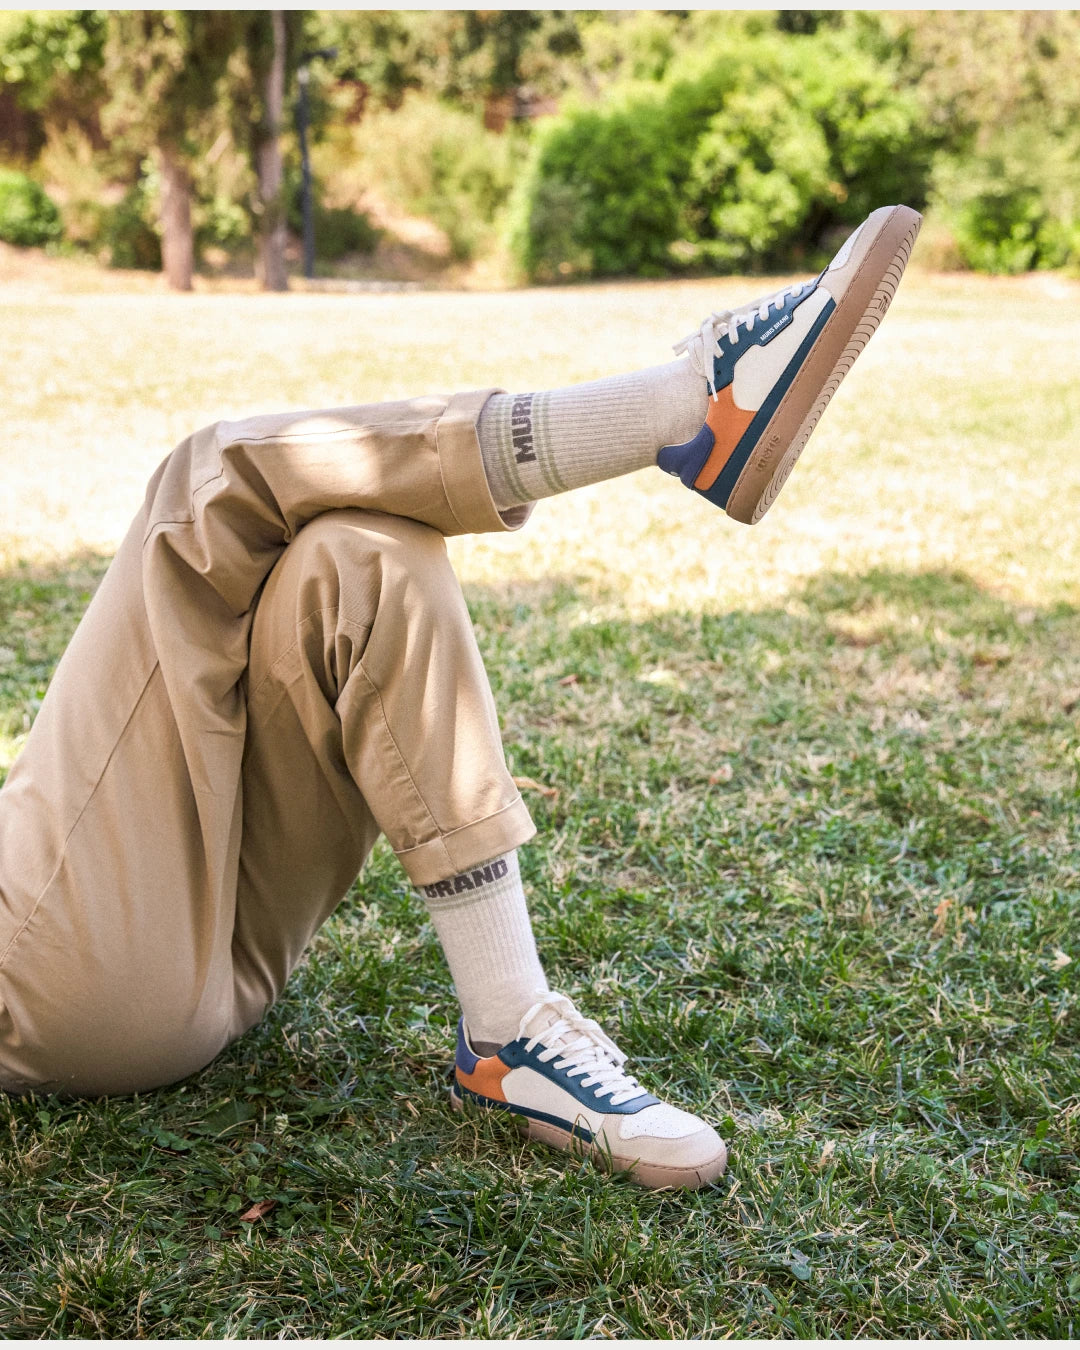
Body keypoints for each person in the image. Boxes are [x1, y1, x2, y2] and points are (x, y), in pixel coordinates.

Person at [0, 204, 921, 1190]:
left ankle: (507, 1028)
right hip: (46, 969)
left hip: (202, 961)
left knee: (360, 562)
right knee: (204, 487)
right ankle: (688, 410)